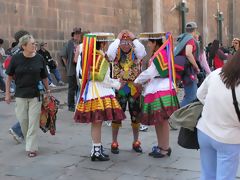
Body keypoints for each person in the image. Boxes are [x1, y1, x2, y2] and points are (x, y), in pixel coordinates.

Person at [74, 32, 126, 161]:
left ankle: (96, 148)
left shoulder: (87, 56)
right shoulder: (100, 58)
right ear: (102, 44)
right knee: (97, 122)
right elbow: (103, 79)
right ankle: (96, 151)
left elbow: (83, 75)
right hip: (100, 92)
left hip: (90, 91)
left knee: (95, 123)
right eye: (105, 43)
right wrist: (118, 83)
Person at [134, 32, 179, 158]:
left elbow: (150, 72)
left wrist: (137, 80)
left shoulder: (159, 54)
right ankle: (161, 146)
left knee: (162, 121)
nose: (148, 45)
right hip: (159, 87)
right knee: (159, 120)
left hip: (161, 89)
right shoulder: (161, 53)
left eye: (150, 42)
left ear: (155, 43)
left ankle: (165, 148)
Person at [196, 50, 240, 180]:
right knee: (225, 177)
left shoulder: (216, 73)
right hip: (229, 138)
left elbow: (200, 95)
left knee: (207, 175)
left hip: (204, 132)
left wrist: (216, 107)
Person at [5, 34, 49, 158]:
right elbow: (8, 77)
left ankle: (31, 148)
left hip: (36, 95)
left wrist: (48, 90)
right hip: (20, 94)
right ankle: (28, 140)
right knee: (23, 120)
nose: (34, 45)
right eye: (32, 44)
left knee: (33, 122)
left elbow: (44, 76)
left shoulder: (39, 58)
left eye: (35, 43)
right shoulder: (16, 59)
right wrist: (8, 93)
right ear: (24, 46)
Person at [107, 30, 146, 154]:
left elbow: (143, 52)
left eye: (128, 41)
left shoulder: (136, 52)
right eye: (123, 42)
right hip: (121, 88)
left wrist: (134, 38)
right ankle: (114, 142)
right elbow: (109, 54)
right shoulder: (116, 52)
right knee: (117, 114)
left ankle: (136, 141)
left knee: (136, 115)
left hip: (134, 88)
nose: (125, 44)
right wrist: (117, 39)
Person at [8, 30, 30, 143]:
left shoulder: (14, 50)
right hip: (25, 83)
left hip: (18, 82)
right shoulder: (23, 49)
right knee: (29, 110)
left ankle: (20, 132)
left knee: (25, 110)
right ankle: (17, 130)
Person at [174, 21, 200, 107]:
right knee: (191, 96)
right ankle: (178, 114)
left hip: (182, 69)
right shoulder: (190, 39)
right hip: (188, 70)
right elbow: (188, 53)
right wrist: (196, 66)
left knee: (189, 94)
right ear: (195, 30)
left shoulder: (182, 38)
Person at [61, 27, 81, 112]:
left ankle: (78, 104)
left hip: (79, 70)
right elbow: (63, 56)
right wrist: (67, 66)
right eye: (76, 34)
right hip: (72, 69)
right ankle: (71, 105)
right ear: (73, 35)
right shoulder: (69, 44)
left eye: (78, 34)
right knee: (72, 89)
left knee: (78, 87)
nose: (77, 35)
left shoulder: (80, 43)